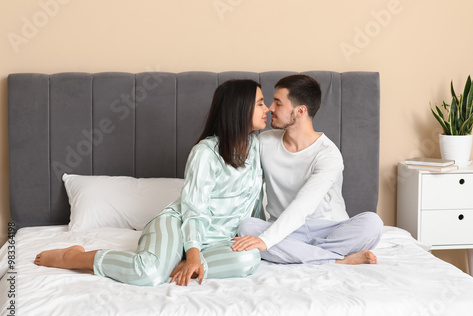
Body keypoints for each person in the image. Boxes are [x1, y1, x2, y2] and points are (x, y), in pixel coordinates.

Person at [34, 79, 269, 286]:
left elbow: (254, 205)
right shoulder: (206, 152)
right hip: (179, 225)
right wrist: (194, 253)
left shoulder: (258, 147)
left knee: (249, 257)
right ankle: (73, 257)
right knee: (148, 273)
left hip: (219, 240)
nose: (267, 108)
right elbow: (193, 210)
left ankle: (175, 263)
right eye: (260, 103)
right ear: (240, 108)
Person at [231, 74, 383, 265]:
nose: (270, 108)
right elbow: (238, 178)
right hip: (286, 230)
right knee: (246, 227)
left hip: (328, 229)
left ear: (300, 111)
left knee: (373, 223)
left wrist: (266, 241)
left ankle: (300, 254)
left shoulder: (328, 155)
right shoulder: (264, 142)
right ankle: (336, 260)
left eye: (278, 103)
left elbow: (303, 205)